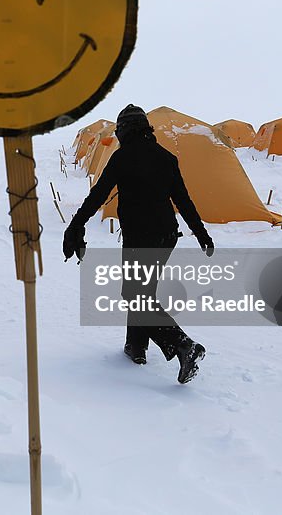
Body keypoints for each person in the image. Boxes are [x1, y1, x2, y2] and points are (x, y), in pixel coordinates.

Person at [64, 104, 214, 383]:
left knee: (134, 295)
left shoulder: (122, 158)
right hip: (166, 237)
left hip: (140, 238)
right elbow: (183, 201)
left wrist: (76, 224)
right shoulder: (166, 158)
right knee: (143, 291)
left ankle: (183, 346)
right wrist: (201, 233)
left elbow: (97, 196)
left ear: (124, 130)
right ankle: (137, 347)